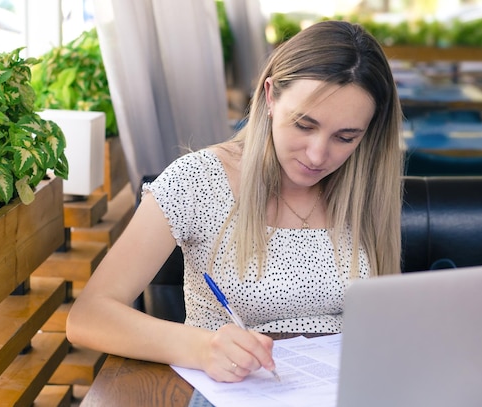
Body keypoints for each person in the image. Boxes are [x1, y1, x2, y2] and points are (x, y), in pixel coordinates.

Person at [66, 19, 404, 383]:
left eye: (346, 137)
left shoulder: (365, 185)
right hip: (235, 390)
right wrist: (202, 348)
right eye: (304, 125)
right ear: (271, 95)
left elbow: (386, 320)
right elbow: (88, 317)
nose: (318, 155)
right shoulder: (197, 180)